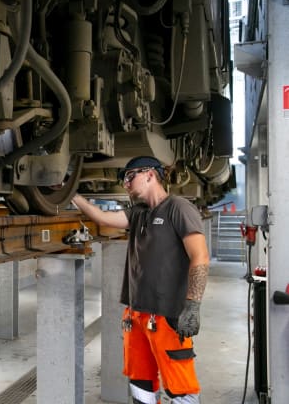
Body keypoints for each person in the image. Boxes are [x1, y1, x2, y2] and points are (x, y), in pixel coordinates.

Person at [72, 156, 210, 404]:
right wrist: (73, 195)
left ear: (150, 174)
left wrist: (193, 305)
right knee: (141, 382)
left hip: (168, 317)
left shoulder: (178, 208)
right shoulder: (138, 213)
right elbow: (103, 218)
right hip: (136, 317)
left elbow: (199, 256)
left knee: (180, 386)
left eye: (129, 176)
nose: (125, 183)